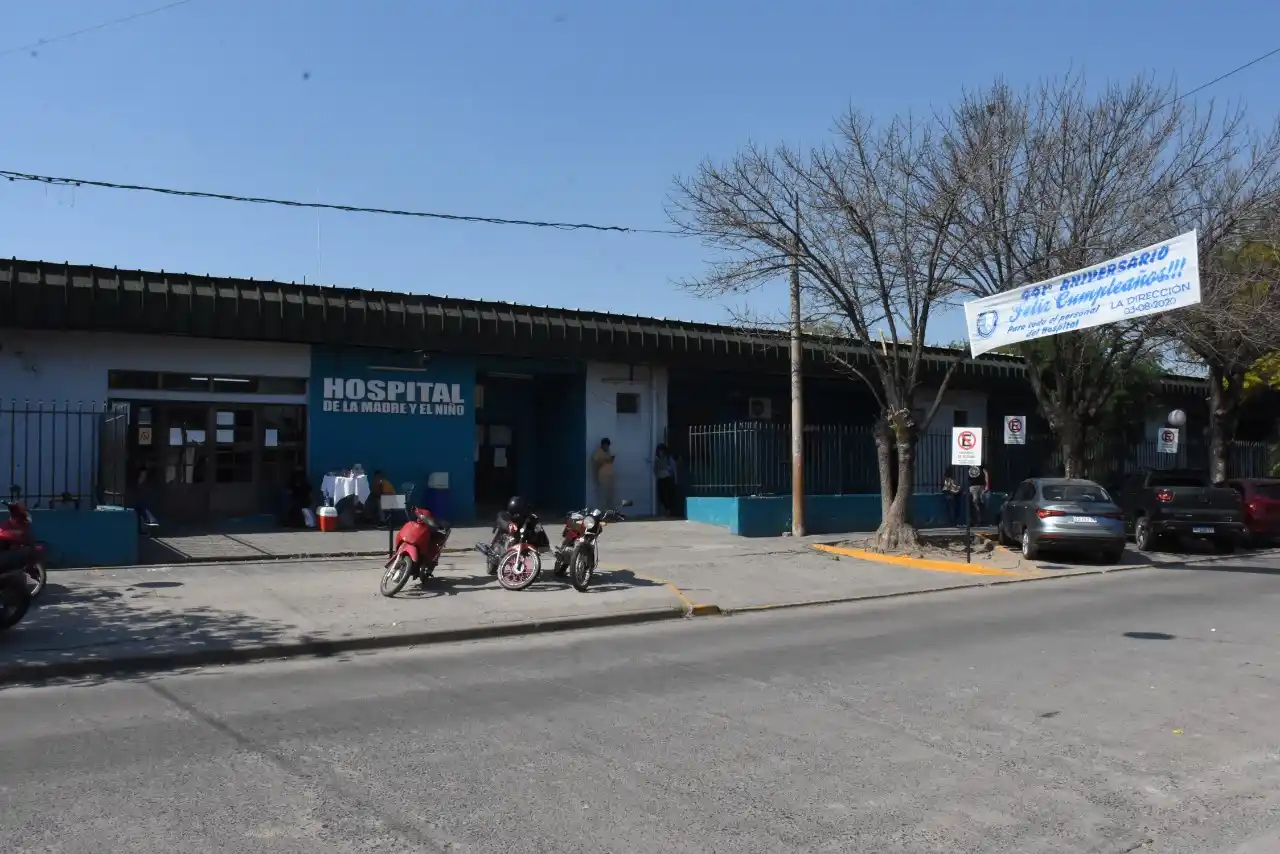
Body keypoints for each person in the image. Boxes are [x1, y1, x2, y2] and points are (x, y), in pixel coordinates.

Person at [590, 438, 616, 509]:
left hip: (610, 477)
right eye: (606, 445)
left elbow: (610, 460)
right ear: (603, 445)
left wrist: (611, 459)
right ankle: (602, 511)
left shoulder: (609, 452)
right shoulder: (598, 452)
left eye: (608, 445)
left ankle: (610, 512)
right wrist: (605, 460)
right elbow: (596, 462)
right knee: (603, 495)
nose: (607, 447)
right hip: (602, 477)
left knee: (611, 495)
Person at [653, 444, 677, 517]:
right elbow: (655, 471)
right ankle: (665, 512)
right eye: (659, 451)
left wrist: (675, 480)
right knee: (662, 497)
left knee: (668, 496)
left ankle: (668, 512)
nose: (660, 453)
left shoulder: (669, 459)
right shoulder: (657, 460)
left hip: (668, 480)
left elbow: (673, 470)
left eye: (662, 451)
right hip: (661, 480)